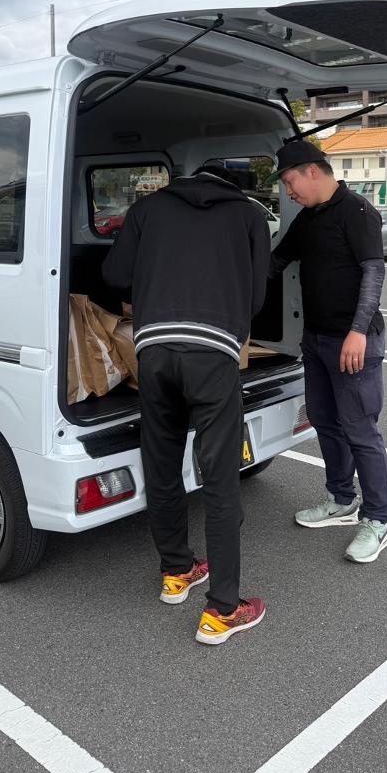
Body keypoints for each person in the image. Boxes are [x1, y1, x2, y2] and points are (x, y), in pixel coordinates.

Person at [102, 164, 270, 645]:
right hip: (214, 353)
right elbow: (258, 296)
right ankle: (222, 610)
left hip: (154, 349)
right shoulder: (249, 215)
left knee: (161, 461)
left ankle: (176, 572)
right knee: (220, 477)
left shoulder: (147, 208)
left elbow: (114, 274)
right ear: (229, 184)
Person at [269, 141, 387, 563]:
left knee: (361, 430)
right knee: (324, 420)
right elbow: (275, 262)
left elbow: (373, 272)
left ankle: (377, 521)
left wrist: (357, 331)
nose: (289, 192)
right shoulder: (308, 219)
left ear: (312, 171)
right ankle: (341, 499)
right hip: (317, 340)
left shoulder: (357, 211)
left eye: (290, 182)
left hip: (354, 342)